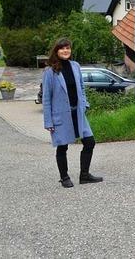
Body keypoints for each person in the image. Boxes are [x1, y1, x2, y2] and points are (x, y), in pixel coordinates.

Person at [42, 38, 103, 188]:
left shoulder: (75, 66)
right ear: (56, 51)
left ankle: (84, 175)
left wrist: (85, 103)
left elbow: (81, 87)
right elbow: (46, 98)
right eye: (62, 48)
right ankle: (64, 178)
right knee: (62, 146)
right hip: (61, 115)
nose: (65, 51)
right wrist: (48, 121)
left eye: (68, 48)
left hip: (78, 113)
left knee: (90, 142)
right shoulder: (50, 71)